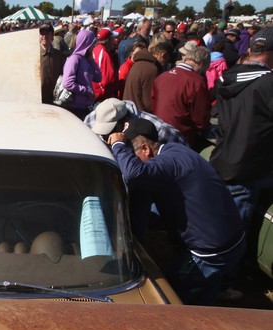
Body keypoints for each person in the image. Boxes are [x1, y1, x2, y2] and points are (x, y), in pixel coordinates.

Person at [107, 118, 245, 305]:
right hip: (229, 239)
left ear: (146, 149)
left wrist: (117, 145)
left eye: (132, 155)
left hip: (209, 252)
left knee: (171, 300)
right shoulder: (177, 151)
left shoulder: (168, 163)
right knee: (205, 296)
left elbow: (134, 173)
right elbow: (142, 208)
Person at [209, 27, 273, 231]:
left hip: (222, 161)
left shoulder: (228, 76)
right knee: (225, 246)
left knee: (215, 234)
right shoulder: (267, 83)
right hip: (246, 171)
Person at [151, 46, 211, 151]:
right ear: (201, 64)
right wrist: (205, 127)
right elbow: (200, 116)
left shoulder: (161, 77)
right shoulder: (196, 82)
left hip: (158, 129)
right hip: (181, 134)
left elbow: (153, 103)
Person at [60, 28, 101, 120]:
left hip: (86, 106)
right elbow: (68, 83)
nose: (93, 46)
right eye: (92, 43)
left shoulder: (86, 59)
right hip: (75, 107)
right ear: (86, 43)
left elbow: (98, 78)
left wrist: (91, 61)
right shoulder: (74, 59)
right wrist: (86, 91)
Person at [123, 40, 173, 112]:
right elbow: (149, 102)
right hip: (140, 116)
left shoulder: (139, 64)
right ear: (163, 55)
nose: (166, 63)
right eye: (167, 60)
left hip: (131, 111)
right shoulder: (151, 69)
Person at [39, 24, 66, 105]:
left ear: (52, 36)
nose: (44, 36)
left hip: (54, 100)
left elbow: (62, 75)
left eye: (47, 34)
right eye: (42, 34)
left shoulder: (58, 55)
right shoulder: (33, 55)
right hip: (39, 100)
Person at [92, 28, 118, 102]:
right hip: (101, 96)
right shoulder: (104, 54)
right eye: (112, 38)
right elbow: (108, 79)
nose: (114, 41)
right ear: (108, 40)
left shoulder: (95, 49)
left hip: (95, 93)